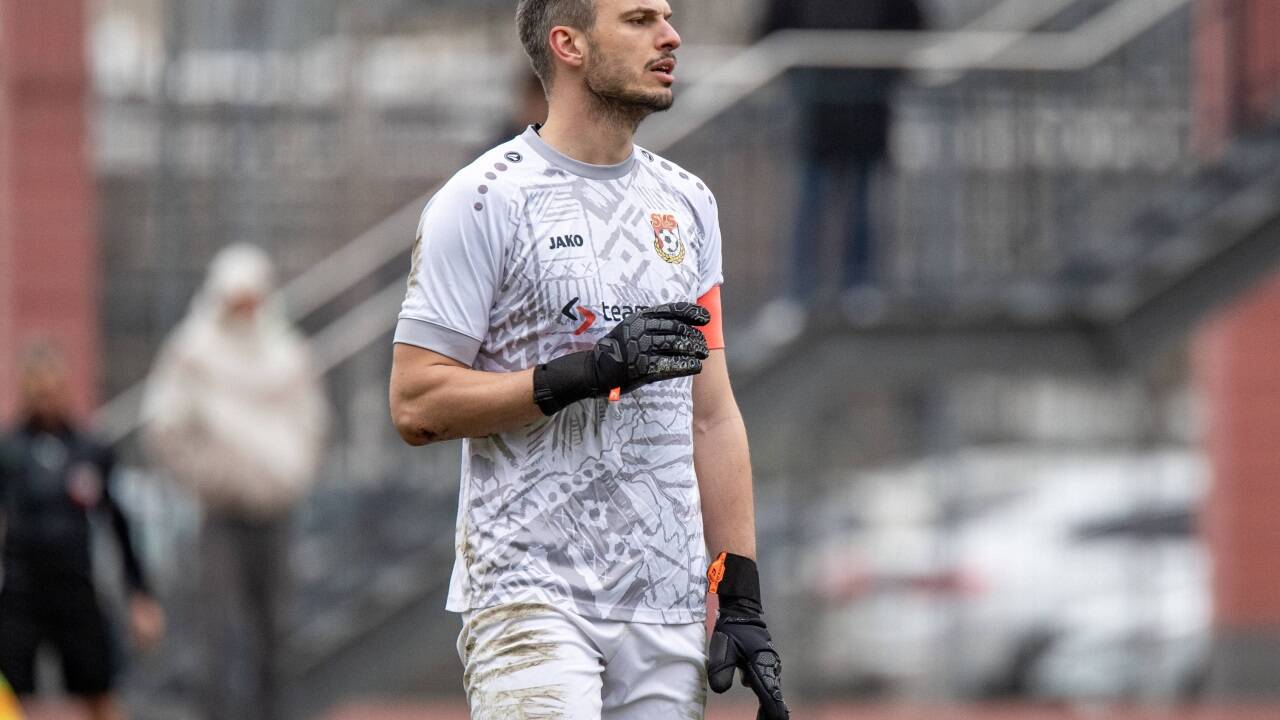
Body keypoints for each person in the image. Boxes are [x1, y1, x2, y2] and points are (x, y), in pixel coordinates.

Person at [388, 1, 788, 718]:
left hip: (664, 605)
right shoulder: (482, 200)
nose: (670, 36)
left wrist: (742, 596)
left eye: (667, 17)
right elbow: (416, 403)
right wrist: (585, 373)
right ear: (567, 44)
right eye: (639, 19)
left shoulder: (689, 202)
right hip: (530, 595)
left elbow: (712, 413)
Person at [141, 244, 328, 720]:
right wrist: (211, 475)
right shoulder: (193, 352)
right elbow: (164, 427)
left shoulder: (287, 353)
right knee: (217, 635)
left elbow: (311, 424)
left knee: (277, 633)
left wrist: (291, 473)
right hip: (222, 515)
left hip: (277, 513)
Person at [0, 343, 165, 720]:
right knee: (10, 698)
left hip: (76, 587)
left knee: (100, 690)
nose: (45, 397)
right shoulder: (9, 451)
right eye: (36, 388)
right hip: (21, 591)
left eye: (52, 388)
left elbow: (119, 524)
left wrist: (139, 593)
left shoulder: (90, 449)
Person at [757, 0, 925, 332]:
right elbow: (771, 30)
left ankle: (858, 286)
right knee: (812, 205)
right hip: (817, 112)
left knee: (859, 207)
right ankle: (801, 294)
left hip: (866, 108)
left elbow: (911, 31)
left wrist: (882, 71)